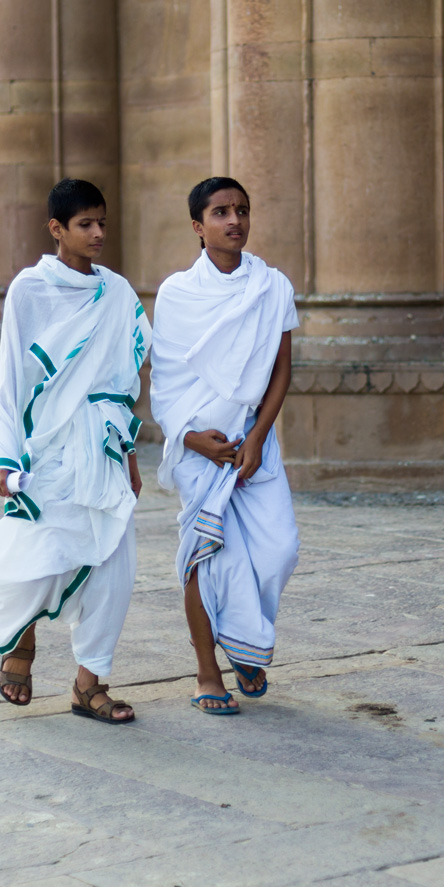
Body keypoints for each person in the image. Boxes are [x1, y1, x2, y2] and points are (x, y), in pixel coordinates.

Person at [0, 179, 150, 725]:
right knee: (30, 556)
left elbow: (125, 379)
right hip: (46, 448)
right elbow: (11, 378)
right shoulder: (30, 291)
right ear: (57, 229)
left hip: (103, 447)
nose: (98, 234)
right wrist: (6, 457)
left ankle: (89, 685)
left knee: (114, 565)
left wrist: (130, 454)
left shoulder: (117, 293)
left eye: (103, 223)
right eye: (85, 225)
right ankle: (20, 641)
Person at [151, 177, 299, 715]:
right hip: (198, 447)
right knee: (207, 556)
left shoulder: (272, 286)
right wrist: (191, 439)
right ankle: (208, 670)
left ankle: (243, 638)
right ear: (198, 226)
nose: (234, 220)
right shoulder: (176, 293)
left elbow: (282, 369)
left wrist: (258, 437)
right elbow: (163, 381)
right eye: (219, 212)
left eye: (241, 210)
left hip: (253, 443)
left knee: (278, 549)